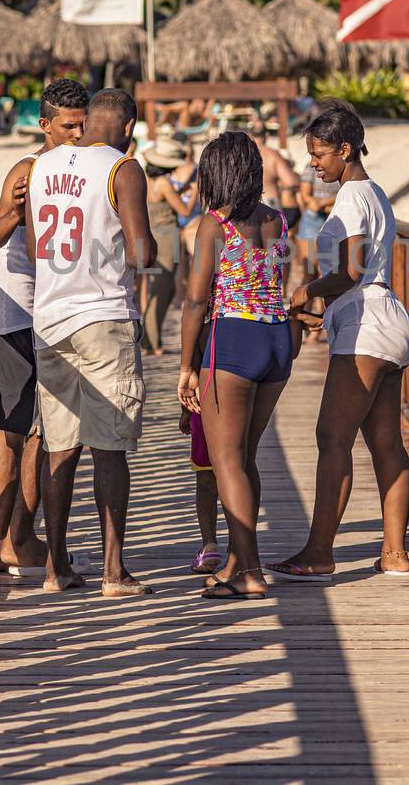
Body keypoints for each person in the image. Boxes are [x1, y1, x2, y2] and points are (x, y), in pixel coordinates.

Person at [272, 101, 409, 582]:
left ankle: (318, 553)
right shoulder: (376, 193)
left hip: (366, 327)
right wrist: (326, 310)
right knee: (385, 443)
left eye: (319, 154)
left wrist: (307, 290)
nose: (313, 163)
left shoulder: (352, 198)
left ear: (346, 149)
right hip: (387, 322)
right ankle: (394, 554)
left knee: (331, 438)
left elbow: (351, 270)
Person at [19, 88, 156, 596]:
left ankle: (57, 568)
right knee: (109, 447)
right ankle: (113, 572)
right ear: (126, 126)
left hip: (49, 319)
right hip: (103, 317)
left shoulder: (42, 166)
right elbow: (141, 252)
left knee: (60, 447)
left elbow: (36, 246)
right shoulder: (123, 169)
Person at [0, 77, 90, 576]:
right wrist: (18, 207)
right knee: (13, 432)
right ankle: (8, 540)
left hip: (53, 312)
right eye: (67, 126)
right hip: (10, 309)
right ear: (44, 124)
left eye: (82, 125)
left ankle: (18, 536)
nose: (76, 134)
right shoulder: (27, 168)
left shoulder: (86, 167)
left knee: (43, 432)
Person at [178, 131, 296, 600]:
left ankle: (249, 571)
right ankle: (234, 560)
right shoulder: (278, 220)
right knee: (245, 458)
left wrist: (186, 366)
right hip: (277, 338)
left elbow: (194, 299)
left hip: (233, 338)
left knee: (225, 461)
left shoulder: (215, 225)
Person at [139, 139, 192, 356]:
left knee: (158, 290)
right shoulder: (163, 182)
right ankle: (152, 343)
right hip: (167, 238)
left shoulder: (146, 179)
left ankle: (151, 341)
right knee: (164, 290)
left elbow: (161, 203)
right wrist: (195, 191)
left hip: (152, 234)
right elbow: (185, 211)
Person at [290, 156, 339, 299]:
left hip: (331, 217)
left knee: (327, 272)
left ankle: (320, 312)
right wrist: (327, 205)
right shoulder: (310, 167)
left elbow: (346, 192)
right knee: (309, 271)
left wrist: (321, 204)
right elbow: (305, 195)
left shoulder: (340, 165)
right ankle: (301, 313)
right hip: (314, 218)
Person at [250, 122, 301, 229]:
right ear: (267, 136)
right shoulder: (272, 154)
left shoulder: (244, 155)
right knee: (273, 242)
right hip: (269, 203)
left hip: (249, 204)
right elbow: (290, 181)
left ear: (250, 135)